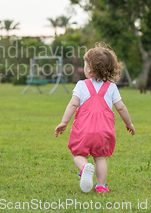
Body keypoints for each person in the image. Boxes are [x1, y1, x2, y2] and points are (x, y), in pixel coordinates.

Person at [54, 43, 135, 193]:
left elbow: (72, 105)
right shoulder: (111, 87)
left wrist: (64, 122)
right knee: (100, 158)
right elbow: (121, 107)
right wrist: (129, 123)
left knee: (78, 154)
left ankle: (84, 168)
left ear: (89, 70)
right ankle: (101, 186)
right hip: (103, 131)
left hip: (83, 129)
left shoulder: (81, 85)